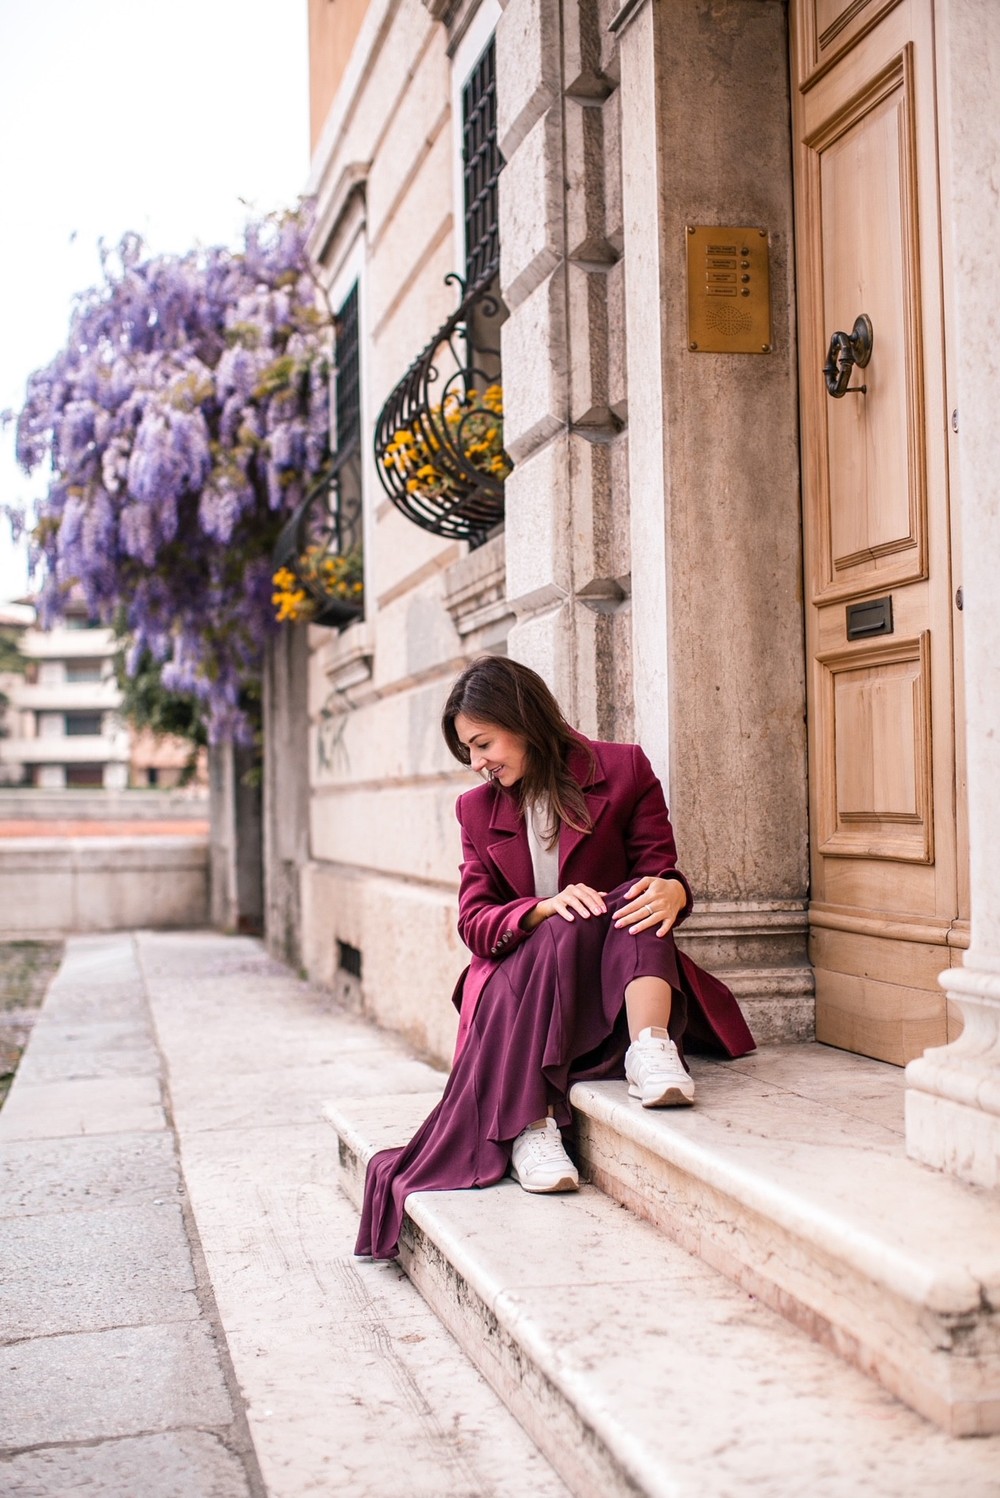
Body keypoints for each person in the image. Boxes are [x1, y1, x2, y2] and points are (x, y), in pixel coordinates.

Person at [355, 655, 755, 1260]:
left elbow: (657, 868)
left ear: (522, 719)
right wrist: (539, 910)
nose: (478, 763)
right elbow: (474, 920)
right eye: (468, 751)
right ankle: (529, 1128)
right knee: (566, 922)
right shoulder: (475, 810)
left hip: (608, 969)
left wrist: (676, 888)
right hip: (519, 977)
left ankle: (651, 1049)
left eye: (483, 743)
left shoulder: (623, 769)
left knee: (634, 897)